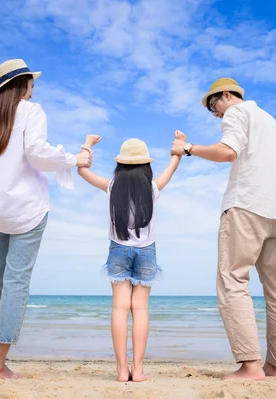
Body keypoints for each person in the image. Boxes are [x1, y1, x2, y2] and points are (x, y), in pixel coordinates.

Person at [0, 59, 91, 379]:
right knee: (16, 283)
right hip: (27, 209)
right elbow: (38, 153)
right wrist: (74, 158)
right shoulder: (31, 111)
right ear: (24, 84)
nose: (33, 89)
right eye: (32, 83)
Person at [171, 78, 276, 380]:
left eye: (214, 105)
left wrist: (188, 148)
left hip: (247, 205)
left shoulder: (237, 113)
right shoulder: (272, 122)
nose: (215, 114)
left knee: (233, 281)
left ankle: (250, 365)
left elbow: (228, 152)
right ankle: (274, 367)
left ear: (226, 95)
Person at [77, 134, 181, 382]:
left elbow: (82, 170)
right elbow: (172, 166)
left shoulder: (112, 187)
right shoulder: (152, 188)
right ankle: (139, 370)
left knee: (119, 308)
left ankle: (122, 370)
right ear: (146, 166)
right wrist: (179, 147)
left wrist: (88, 145)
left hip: (118, 250)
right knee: (141, 309)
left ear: (120, 166)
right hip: (147, 251)